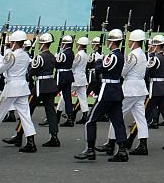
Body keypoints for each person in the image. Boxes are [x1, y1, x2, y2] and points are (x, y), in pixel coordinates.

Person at [75, 29, 128, 162]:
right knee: (118, 122)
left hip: (107, 91)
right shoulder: (121, 56)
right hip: (116, 91)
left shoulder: (112, 56)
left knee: (90, 120)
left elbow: (99, 68)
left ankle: (90, 150)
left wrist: (100, 60)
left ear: (112, 42)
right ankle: (122, 150)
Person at [55, 34, 76, 127]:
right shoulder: (71, 52)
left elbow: (57, 64)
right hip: (68, 76)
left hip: (62, 76)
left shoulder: (64, 54)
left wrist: (57, 57)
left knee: (51, 95)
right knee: (67, 98)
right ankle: (70, 118)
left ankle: (52, 117)